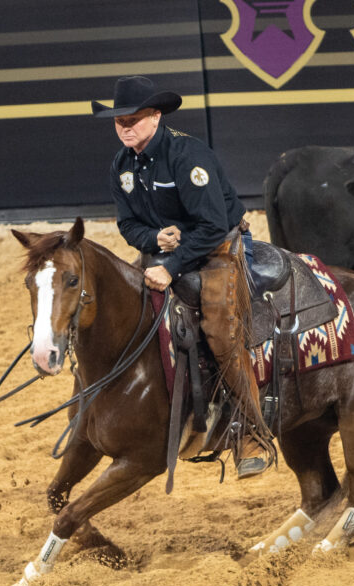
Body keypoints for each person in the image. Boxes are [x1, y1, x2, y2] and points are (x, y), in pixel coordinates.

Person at [91, 75, 273, 479]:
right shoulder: (122, 165)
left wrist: (170, 267)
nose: (125, 127)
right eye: (119, 121)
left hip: (215, 252)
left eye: (133, 119)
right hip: (161, 254)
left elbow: (211, 226)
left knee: (222, 331)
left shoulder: (187, 155)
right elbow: (127, 224)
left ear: (155, 117)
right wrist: (154, 237)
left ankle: (252, 434)